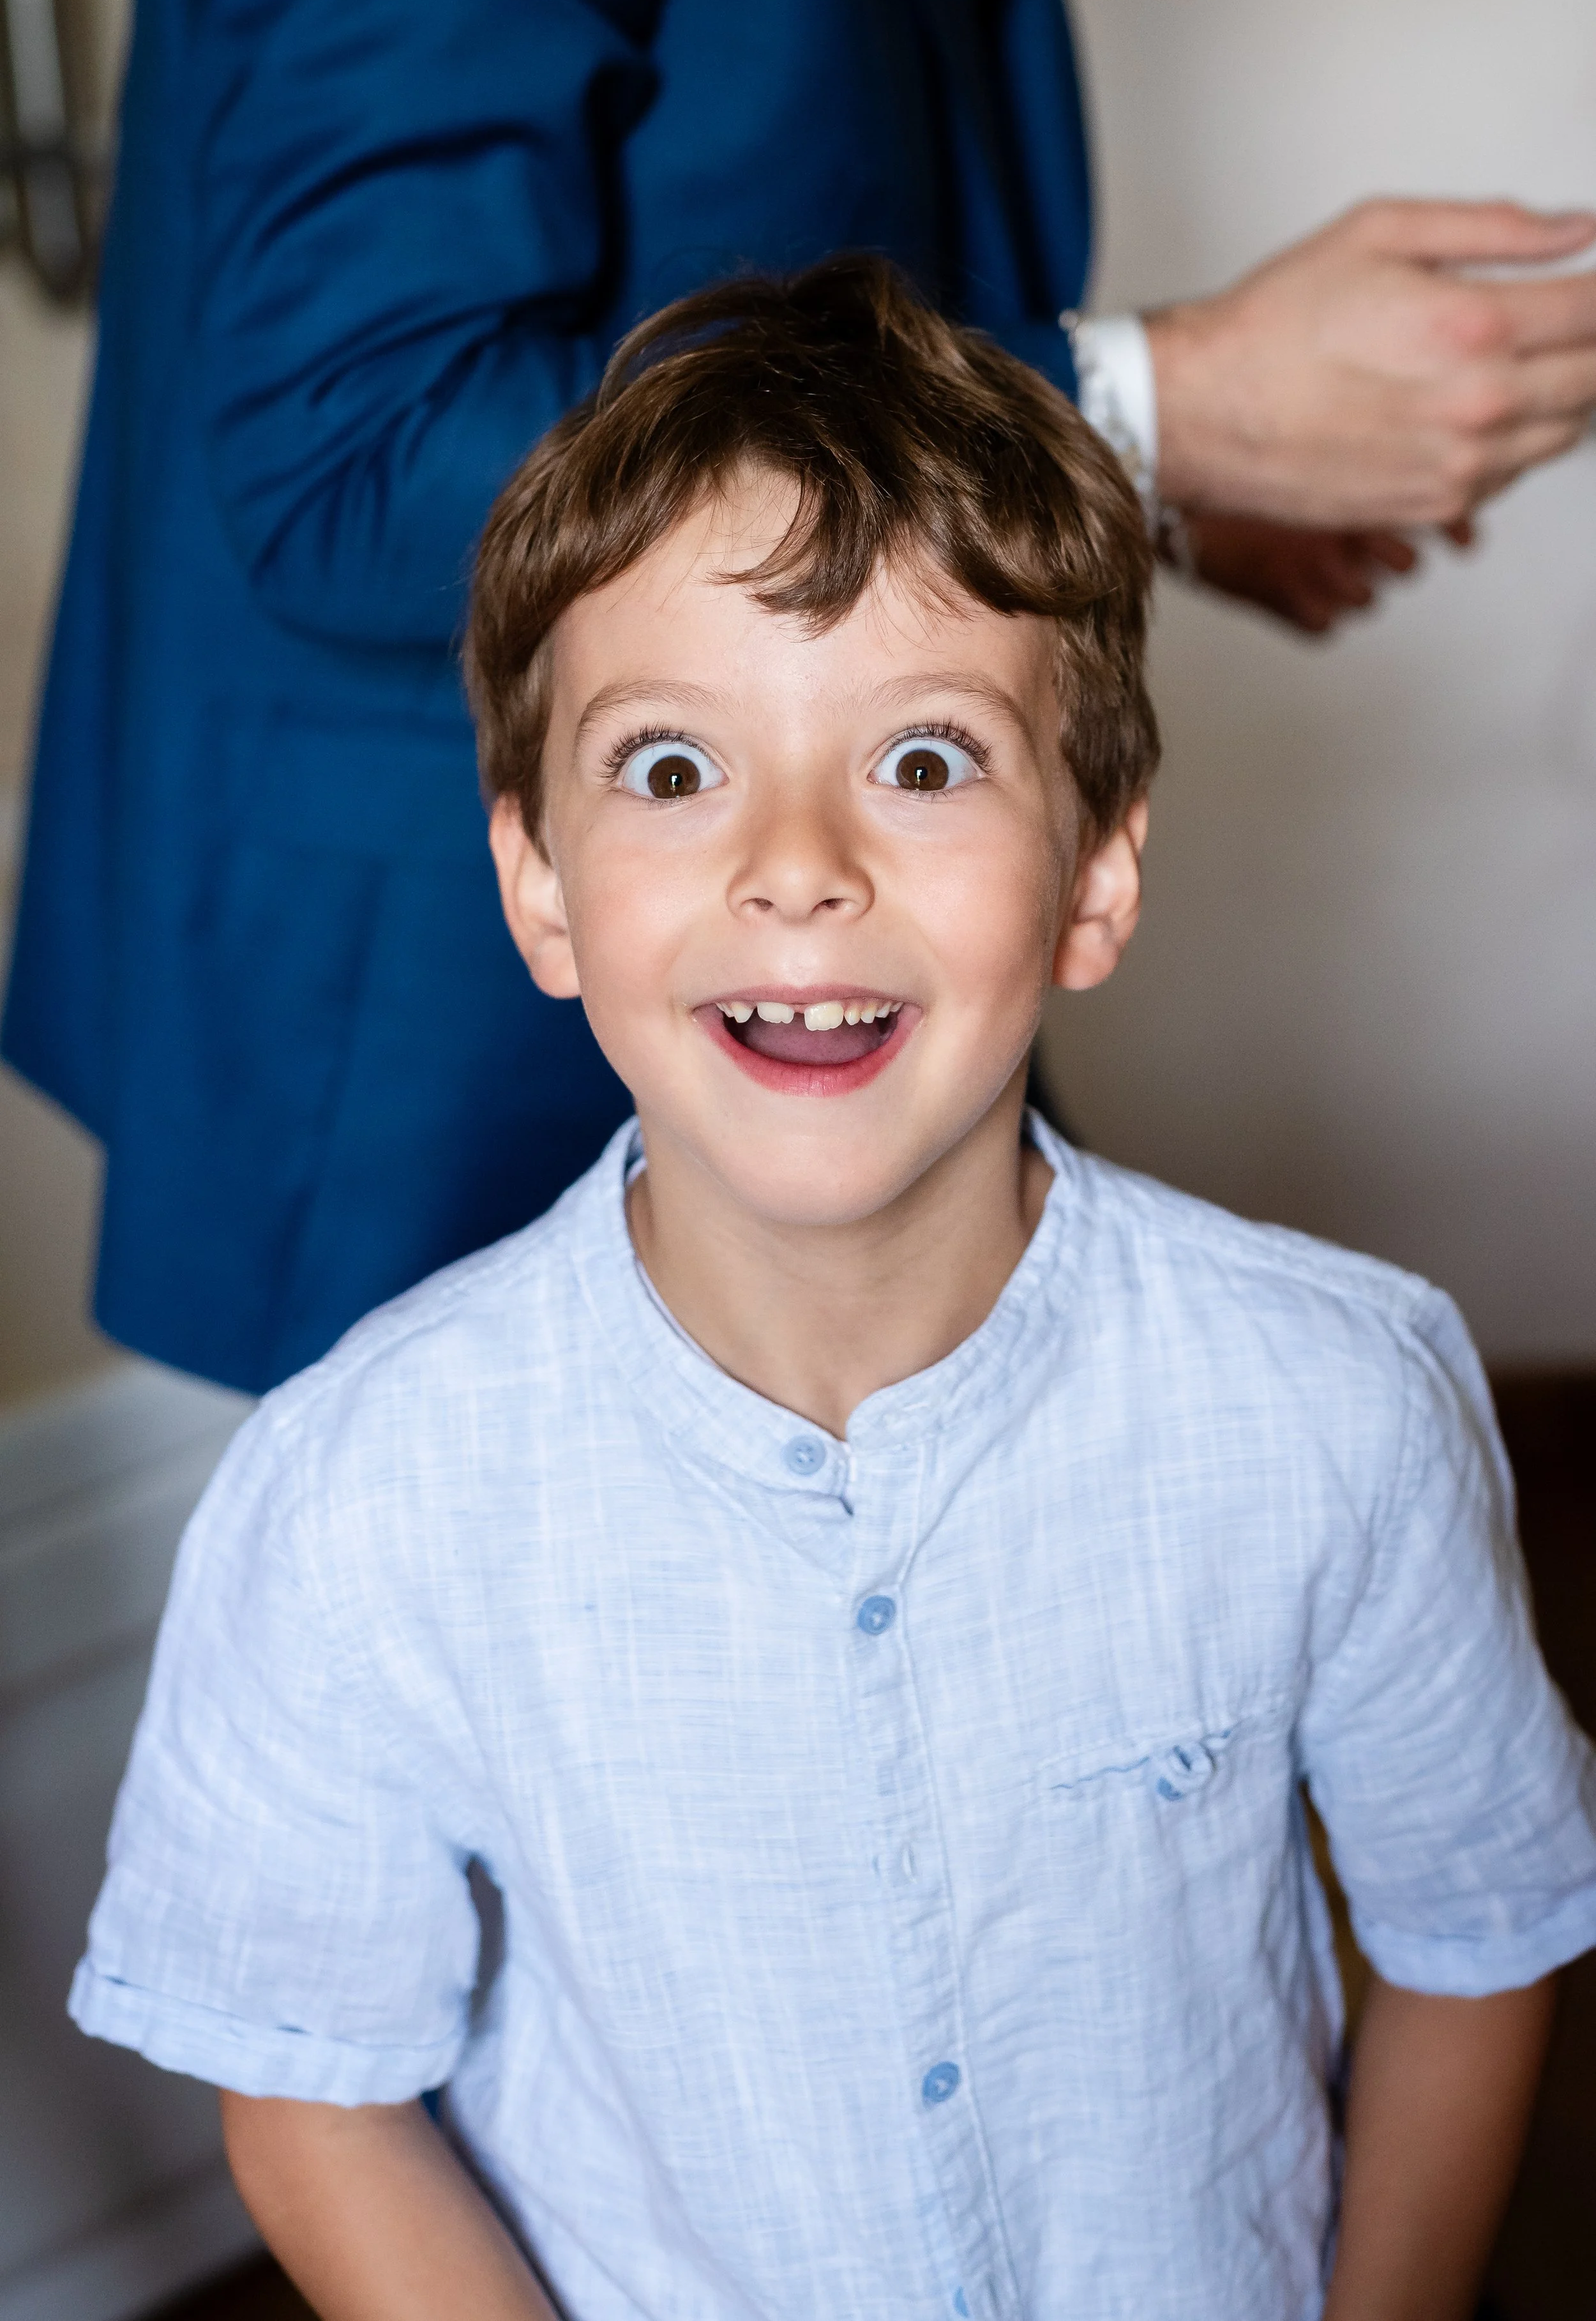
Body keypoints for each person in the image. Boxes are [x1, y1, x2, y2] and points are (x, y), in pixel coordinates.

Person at [72, 261, 1596, 2321]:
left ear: (1098, 873)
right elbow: (314, 2090)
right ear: (538, 881)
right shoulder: (364, 1494)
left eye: (929, 761)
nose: (797, 864)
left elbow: (1476, 1929)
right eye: (675, 771)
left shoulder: (1339, 1396)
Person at [5, 0, 1595, 1397]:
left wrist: (1110, 476)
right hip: (429, 1012)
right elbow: (365, 438)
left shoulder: (1350, 1393)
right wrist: (1155, 401)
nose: (802, 873)